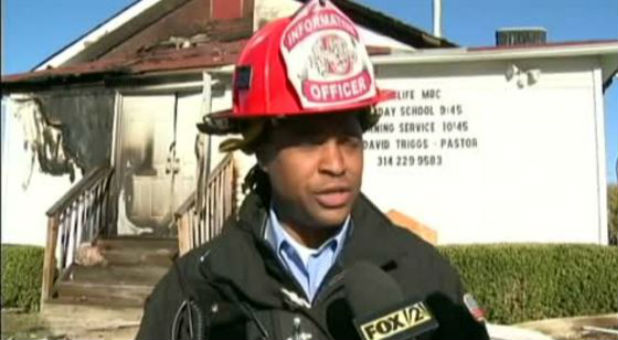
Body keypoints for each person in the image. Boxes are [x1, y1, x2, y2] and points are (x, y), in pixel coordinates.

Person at [136, 1, 489, 339]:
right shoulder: (195, 291)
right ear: (261, 150)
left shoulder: (425, 275)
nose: (336, 165)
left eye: (349, 140)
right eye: (309, 142)